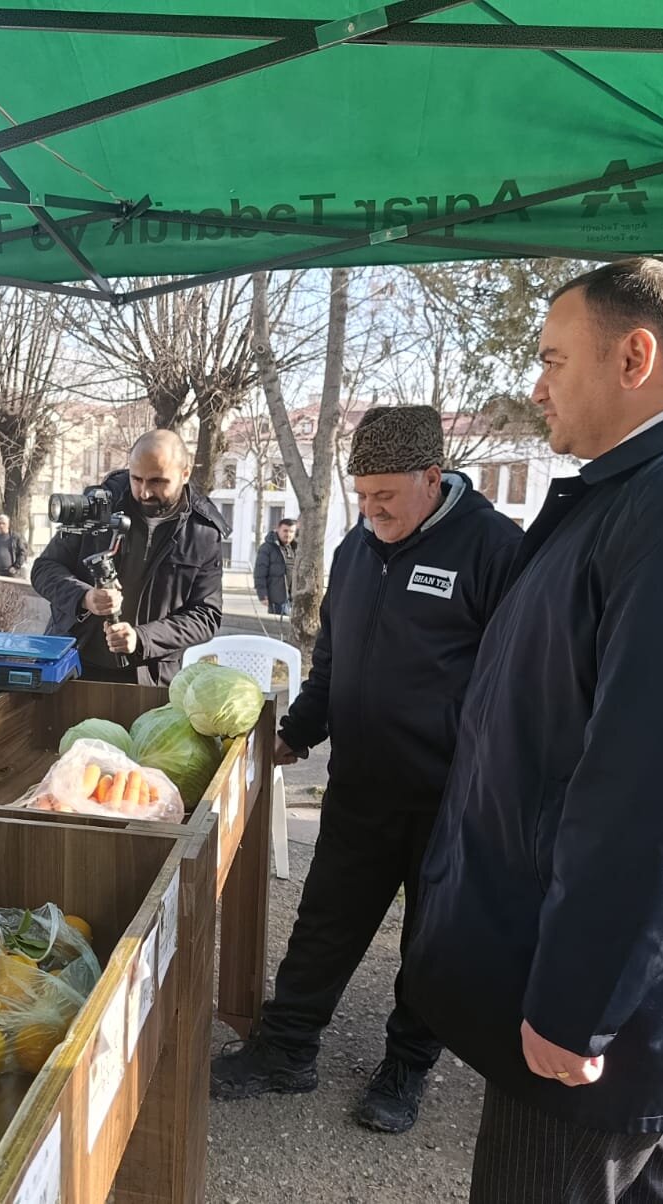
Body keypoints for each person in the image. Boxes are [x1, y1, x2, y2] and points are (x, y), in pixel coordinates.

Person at [405, 259, 663, 1204]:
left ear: (635, 357)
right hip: (599, 990)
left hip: (618, 1018)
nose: (536, 386)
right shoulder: (643, 494)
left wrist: (579, 1002)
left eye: (554, 359)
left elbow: (661, 789)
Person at [211, 405, 521, 1134]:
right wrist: (297, 732)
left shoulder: (495, 550)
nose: (372, 510)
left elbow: (517, 682)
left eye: (386, 496)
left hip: (451, 796)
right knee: (325, 919)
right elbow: (334, 661)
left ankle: (406, 1066)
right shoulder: (358, 549)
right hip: (360, 783)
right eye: (363, 495)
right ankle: (287, 1048)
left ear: (432, 479)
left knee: (432, 939)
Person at [32, 429, 226, 685]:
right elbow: (44, 569)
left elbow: (206, 616)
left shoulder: (203, 531)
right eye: (136, 479)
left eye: (157, 481)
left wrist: (142, 638)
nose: (144, 492)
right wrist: (84, 597)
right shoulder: (99, 504)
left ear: (185, 473)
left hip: (149, 678)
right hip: (73, 665)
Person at [253, 517, 298, 615]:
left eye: (291, 531)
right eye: (285, 531)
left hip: (294, 599)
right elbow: (259, 574)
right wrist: (263, 595)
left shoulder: (295, 548)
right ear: (278, 530)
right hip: (277, 599)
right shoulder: (267, 548)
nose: (288, 534)